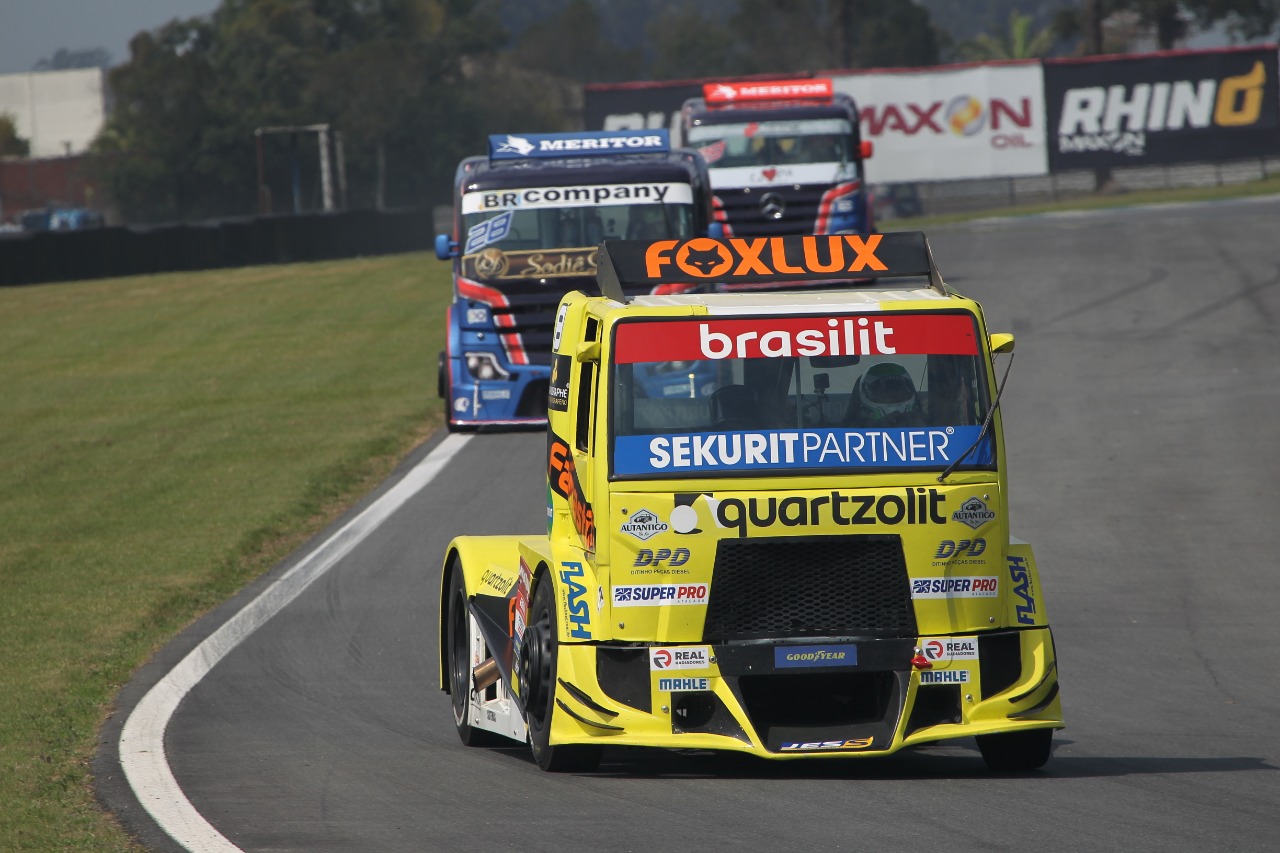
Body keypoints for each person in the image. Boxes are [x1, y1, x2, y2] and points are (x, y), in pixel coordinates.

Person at [849, 362, 924, 427]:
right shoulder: (852, 432)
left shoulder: (926, 425)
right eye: (886, 391)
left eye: (898, 389)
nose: (894, 395)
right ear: (867, 393)